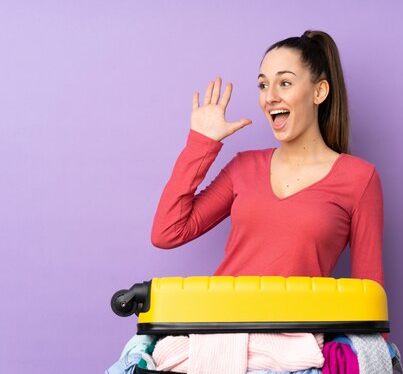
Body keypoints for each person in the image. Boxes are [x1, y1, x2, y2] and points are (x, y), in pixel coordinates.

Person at [151, 30, 384, 286]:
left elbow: (370, 291)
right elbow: (167, 233)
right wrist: (201, 143)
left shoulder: (359, 178)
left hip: (296, 325)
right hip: (221, 321)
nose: (270, 97)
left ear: (319, 92)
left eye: (285, 83)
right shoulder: (243, 167)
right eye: (263, 85)